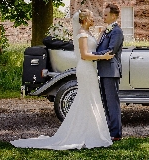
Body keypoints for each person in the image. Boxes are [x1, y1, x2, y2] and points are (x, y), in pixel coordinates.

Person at [10, 9, 114, 150]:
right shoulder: (82, 34)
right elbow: (84, 55)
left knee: (90, 99)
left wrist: (103, 33)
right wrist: (103, 57)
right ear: (84, 20)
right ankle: (85, 134)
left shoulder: (88, 33)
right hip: (85, 68)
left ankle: (91, 132)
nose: (93, 19)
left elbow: (93, 46)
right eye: (91, 17)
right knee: (87, 98)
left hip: (90, 69)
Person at [93, 2, 124, 141]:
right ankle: (109, 131)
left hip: (111, 71)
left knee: (112, 103)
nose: (103, 17)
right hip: (103, 71)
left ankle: (116, 134)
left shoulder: (117, 31)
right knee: (105, 103)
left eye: (106, 15)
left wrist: (93, 55)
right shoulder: (107, 31)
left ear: (113, 16)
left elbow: (111, 51)